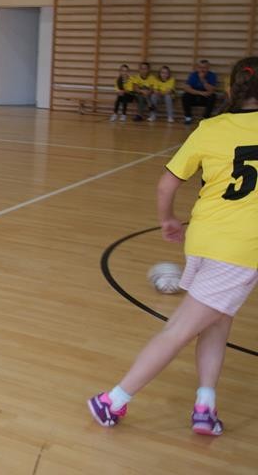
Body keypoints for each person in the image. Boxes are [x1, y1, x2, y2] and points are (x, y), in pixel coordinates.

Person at [88, 56, 258, 437]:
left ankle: (205, 406)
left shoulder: (210, 128)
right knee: (178, 330)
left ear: (231, 89)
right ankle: (113, 400)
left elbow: (166, 185)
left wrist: (167, 219)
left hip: (204, 239)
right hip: (241, 251)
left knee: (217, 323)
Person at [182, 59, 218, 124]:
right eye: (200, 67)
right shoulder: (193, 75)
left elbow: (211, 90)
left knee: (213, 96)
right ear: (197, 67)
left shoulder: (212, 75)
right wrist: (201, 93)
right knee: (185, 96)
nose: (202, 69)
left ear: (208, 68)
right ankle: (188, 117)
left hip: (205, 98)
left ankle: (205, 118)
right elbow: (186, 88)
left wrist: (203, 80)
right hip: (195, 96)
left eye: (204, 68)